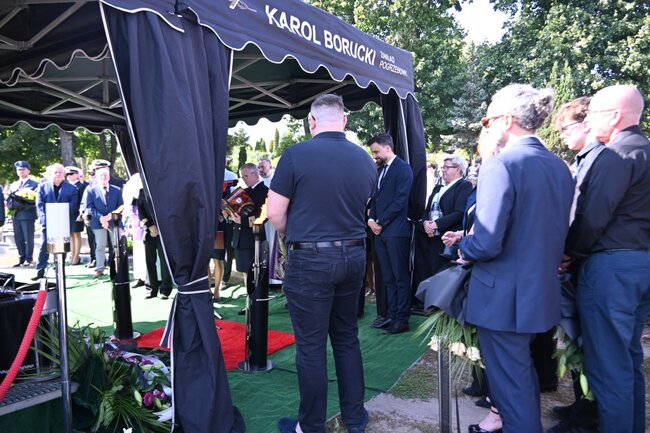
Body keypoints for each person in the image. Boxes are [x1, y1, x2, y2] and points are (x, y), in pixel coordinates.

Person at [458, 84, 574, 433]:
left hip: (504, 298)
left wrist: (464, 247)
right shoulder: (558, 165)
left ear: (506, 120)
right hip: (539, 292)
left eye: (488, 120)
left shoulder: (502, 164)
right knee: (521, 378)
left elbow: (487, 242)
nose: (486, 127)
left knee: (511, 387)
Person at [268, 94, 376, 433]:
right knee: (346, 339)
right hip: (354, 255)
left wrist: (299, 234)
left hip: (311, 258)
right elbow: (364, 206)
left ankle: (311, 426)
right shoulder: (364, 159)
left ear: (312, 121)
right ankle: (355, 418)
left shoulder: (296, 155)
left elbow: (275, 214)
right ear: (344, 120)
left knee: (311, 346)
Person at [564, 84, 650, 433]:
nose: (587, 121)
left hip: (612, 268)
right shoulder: (644, 149)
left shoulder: (616, 154)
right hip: (640, 265)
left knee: (609, 367)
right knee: (628, 360)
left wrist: (570, 253)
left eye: (593, 114)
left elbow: (592, 215)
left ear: (614, 116)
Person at [367, 133, 413, 334]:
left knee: (400, 277)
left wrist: (380, 222)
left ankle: (402, 319)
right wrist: (371, 221)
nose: (375, 156)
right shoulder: (379, 170)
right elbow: (375, 199)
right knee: (387, 278)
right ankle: (391, 315)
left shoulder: (403, 169)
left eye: (376, 151)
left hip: (396, 232)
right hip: (380, 233)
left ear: (388, 148)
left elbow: (400, 201)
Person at [413, 154, 472, 304]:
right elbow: (427, 210)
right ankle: (428, 304)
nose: (443, 170)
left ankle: (440, 307)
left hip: (448, 239)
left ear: (458, 169)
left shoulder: (463, 186)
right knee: (429, 272)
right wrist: (426, 223)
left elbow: (459, 212)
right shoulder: (438, 187)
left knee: (443, 275)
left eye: (447, 167)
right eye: (442, 167)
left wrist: (436, 224)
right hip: (430, 238)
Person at [33, 163, 79, 280]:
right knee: (44, 245)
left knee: (62, 246)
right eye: (55, 172)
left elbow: (74, 204)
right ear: (50, 174)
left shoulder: (72, 188)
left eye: (60, 172)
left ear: (64, 174)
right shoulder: (42, 187)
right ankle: (40, 271)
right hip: (48, 221)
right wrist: (52, 212)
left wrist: (60, 212)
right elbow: (39, 203)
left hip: (64, 222)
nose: (58, 174)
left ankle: (60, 269)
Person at [84, 167, 124, 279]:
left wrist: (110, 216)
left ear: (109, 177)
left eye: (106, 175)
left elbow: (121, 206)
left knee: (116, 245)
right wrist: (101, 218)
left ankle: (117, 268)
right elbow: (89, 207)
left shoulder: (117, 190)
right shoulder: (91, 191)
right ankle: (100, 269)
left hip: (114, 222)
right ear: (97, 178)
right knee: (100, 246)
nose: (103, 177)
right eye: (101, 175)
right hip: (98, 223)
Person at [137, 186, 173, 299]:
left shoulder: (164, 187)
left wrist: (158, 228)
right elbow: (140, 211)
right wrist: (150, 226)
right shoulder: (142, 191)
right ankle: (151, 289)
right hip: (149, 232)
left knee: (164, 261)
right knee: (149, 261)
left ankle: (165, 290)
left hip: (164, 231)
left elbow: (169, 208)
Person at [7, 161, 38, 267]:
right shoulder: (13, 185)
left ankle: (29, 258)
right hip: (16, 214)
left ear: (28, 171)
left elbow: (35, 200)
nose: (21, 171)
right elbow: (10, 199)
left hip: (27, 214)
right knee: (18, 237)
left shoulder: (34, 184)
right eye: (19, 170)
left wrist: (24, 204)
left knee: (28, 237)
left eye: (23, 169)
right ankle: (21, 257)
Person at [65, 166, 86, 265]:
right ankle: (72, 255)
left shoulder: (81, 186)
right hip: (68, 214)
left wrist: (81, 214)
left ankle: (76, 256)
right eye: (67, 174)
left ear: (77, 175)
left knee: (77, 234)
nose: (69, 176)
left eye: (71, 174)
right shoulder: (66, 186)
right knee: (71, 235)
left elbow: (82, 201)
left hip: (77, 214)